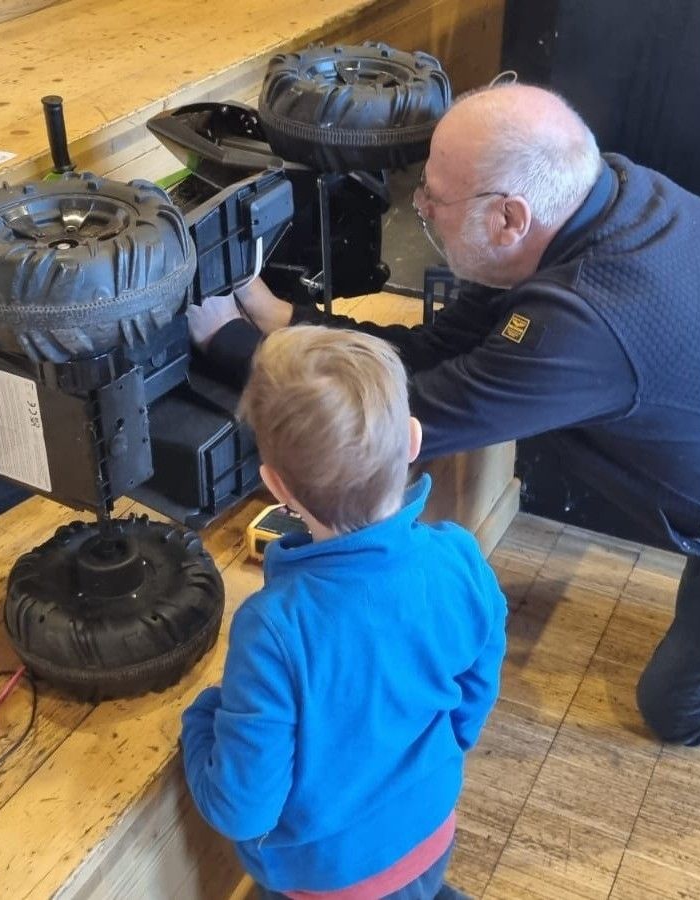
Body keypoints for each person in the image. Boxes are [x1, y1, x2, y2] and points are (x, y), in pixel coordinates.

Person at [187, 82, 700, 747]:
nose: (420, 206)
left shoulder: (584, 328)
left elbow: (386, 420)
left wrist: (228, 345)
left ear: (508, 217)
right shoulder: (598, 200)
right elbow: (432, 350)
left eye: (434, 198)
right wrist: (286, 321)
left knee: (681, 707)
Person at [180, 325, 508, 899]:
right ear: (412, 440)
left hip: (326, 882)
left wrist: (200, 720)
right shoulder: (458, 556)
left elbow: (243, 811)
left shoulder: (272, 630)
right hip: (430, 834)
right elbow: (482, 662)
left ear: (276, 486)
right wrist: (454, 737)